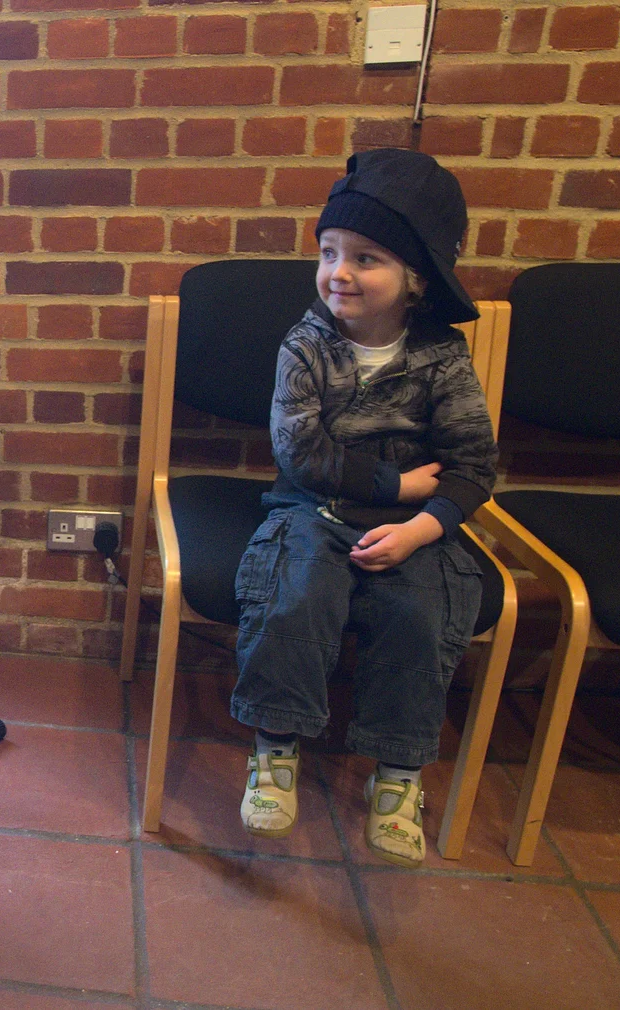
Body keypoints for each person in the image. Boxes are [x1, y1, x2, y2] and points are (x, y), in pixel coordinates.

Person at [231, 149, 495, 868]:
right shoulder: (306, 345)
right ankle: (275, 749)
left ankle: (400, 773)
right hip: (311, 506)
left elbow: (473, 465)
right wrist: (398, 486)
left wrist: (419, 524)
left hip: (413, 528)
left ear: (415, 279)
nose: (338, 273)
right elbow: (300, 454)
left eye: (366, 258)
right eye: (328, 253)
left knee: (423, 609)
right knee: (296, 592)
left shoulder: (442, 357)